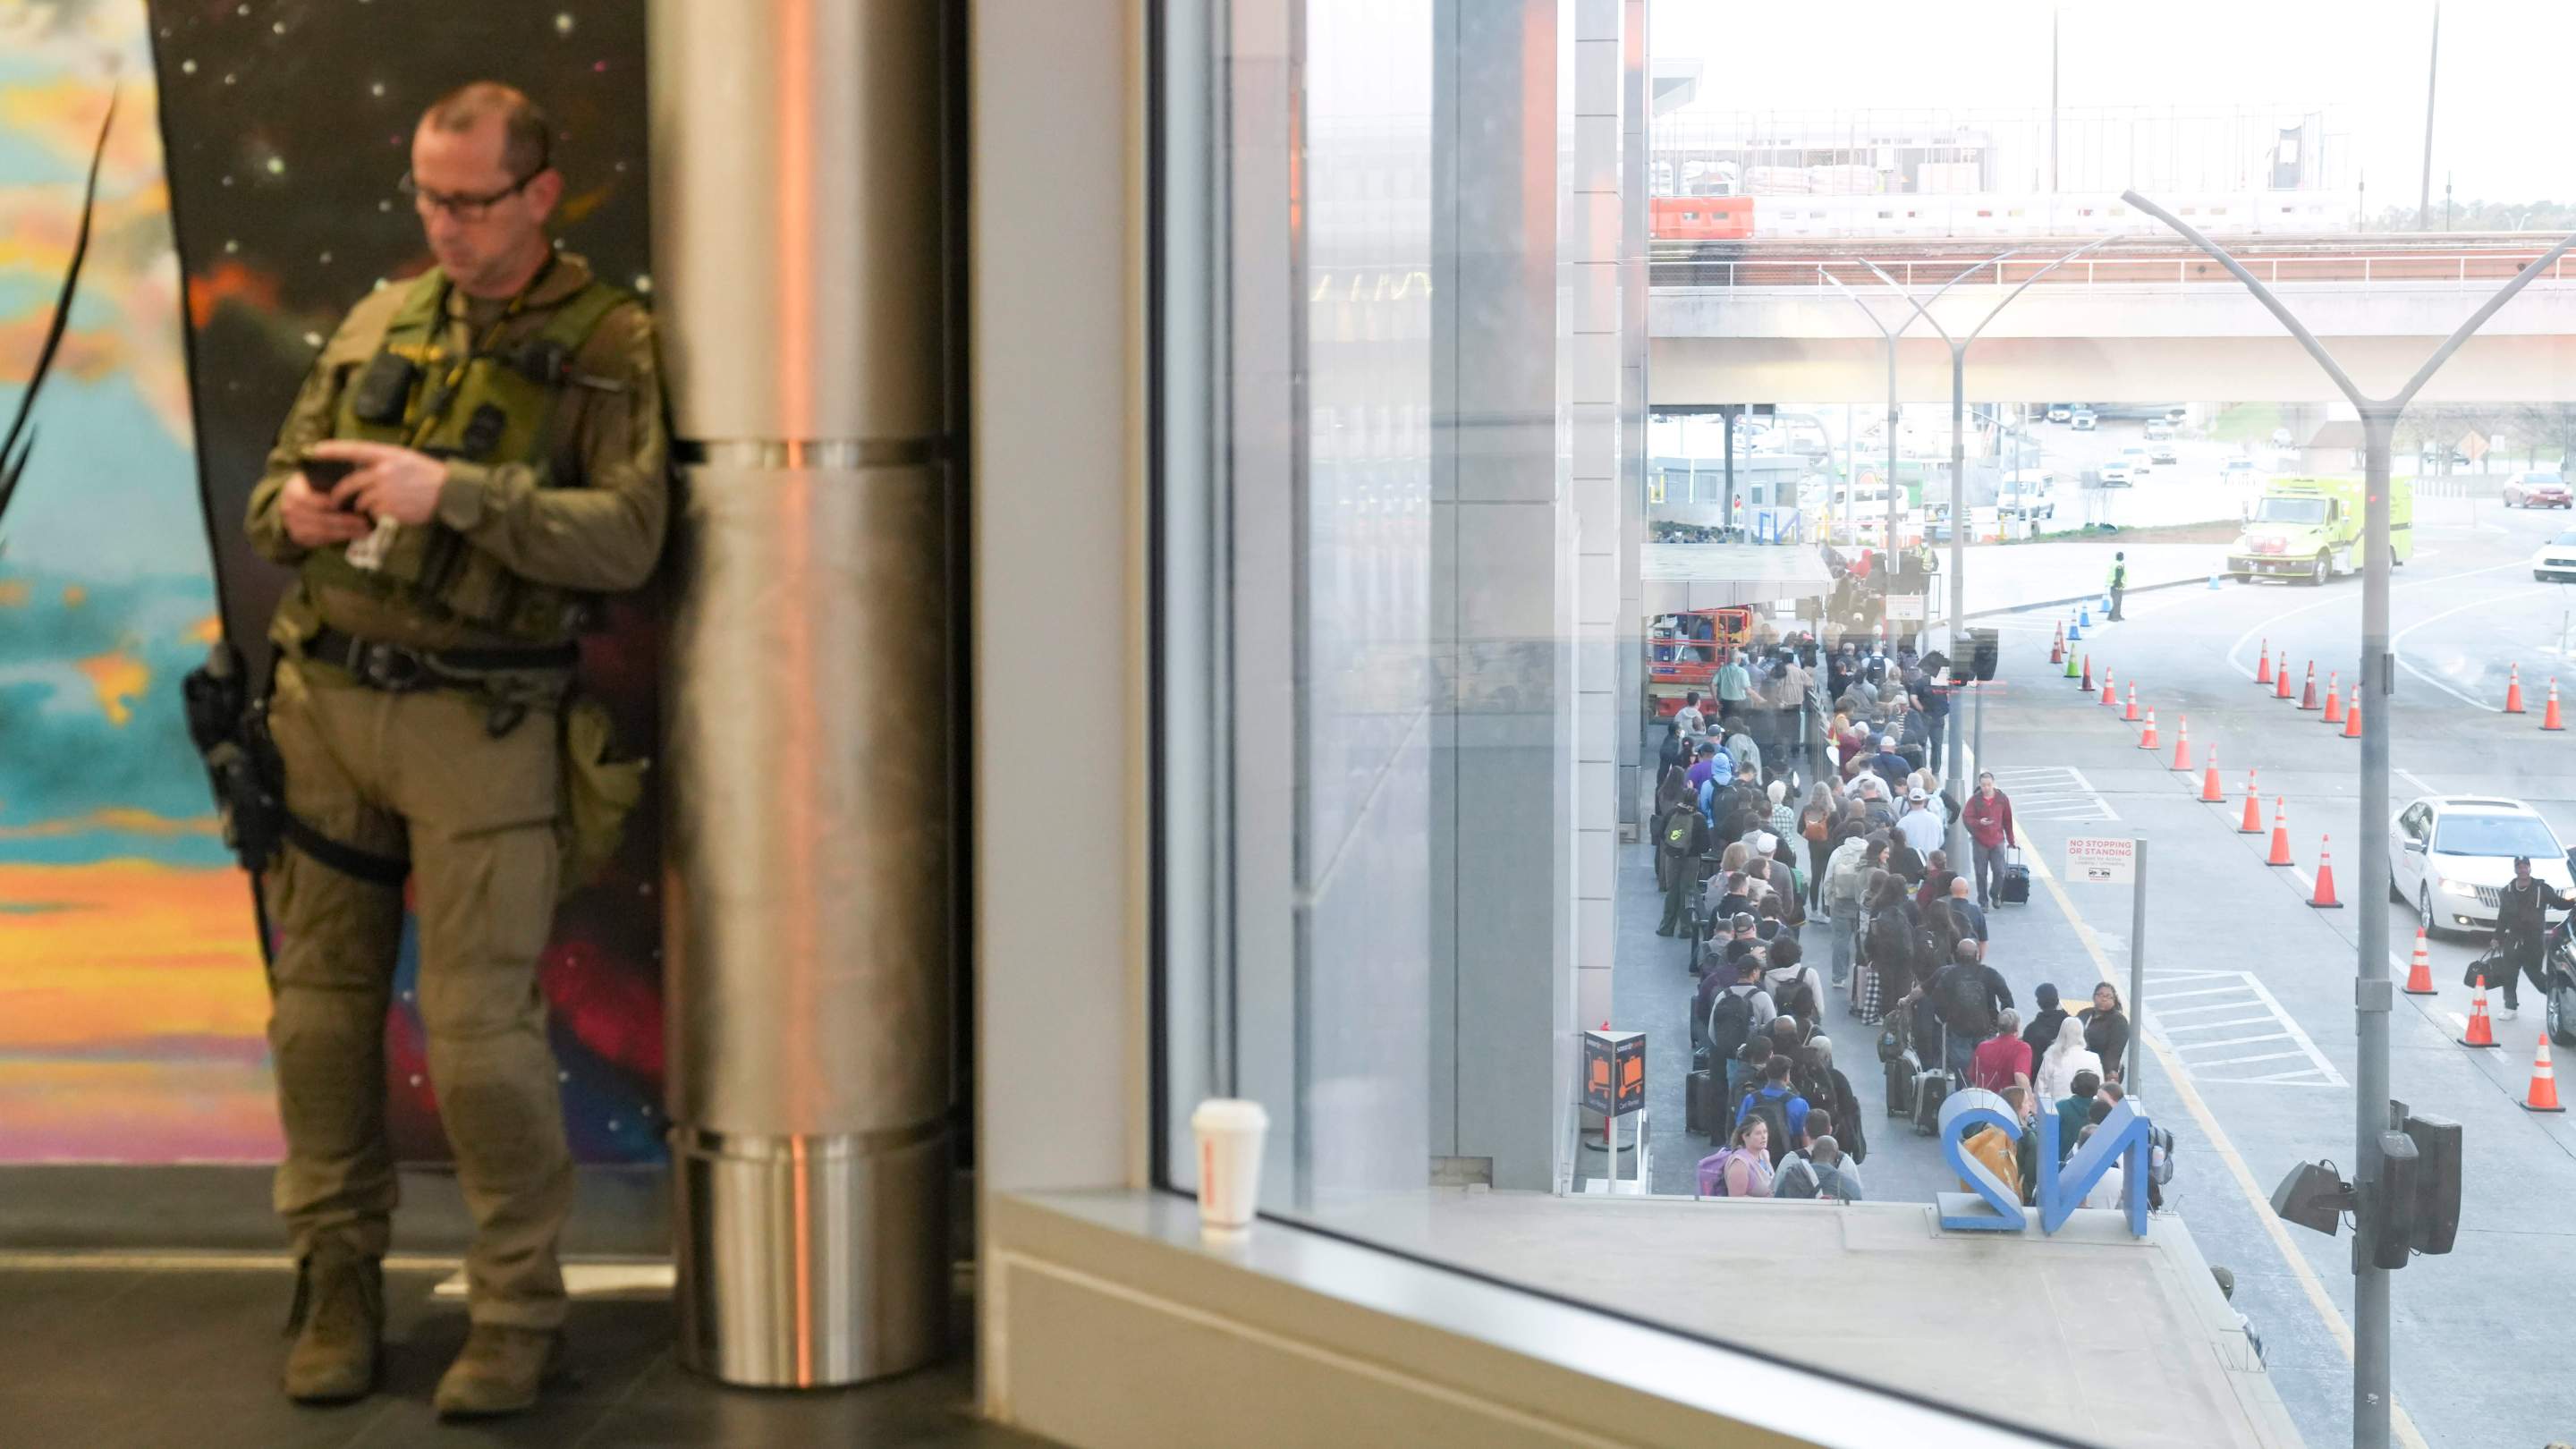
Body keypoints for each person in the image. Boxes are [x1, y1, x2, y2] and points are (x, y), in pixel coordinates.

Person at [240, 82, 667, 1417]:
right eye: (427, 197)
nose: (445, 225)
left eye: (471, 202)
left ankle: (516, 1312)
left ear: (540, 193)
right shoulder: (385, 312)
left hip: (482, 727)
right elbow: (268, 498)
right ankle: (336, 1277)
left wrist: (459, 495)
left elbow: (634, 538)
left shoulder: (610, 343)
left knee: (480, 1039)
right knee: (317, 1023)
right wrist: (294, 523)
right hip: (327, 714)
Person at [2490, 854, 2572, 1019]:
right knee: (2509, 974)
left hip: (2534, 941)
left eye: (2525, 866)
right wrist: (2496, 938)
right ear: (2515, 869)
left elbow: (2559, 903)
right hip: (2513, 940)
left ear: (2530, 868)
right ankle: (2510, 1007)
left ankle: (2557, 998)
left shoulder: (2542, 888)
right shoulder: (2507, 891)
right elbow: (2503, 917)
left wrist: (2573, 902)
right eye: (2519, 867)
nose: (2522, 869)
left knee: (2534, 974)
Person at [1962, 771, 2016, 909]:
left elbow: (2007, 820)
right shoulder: (1975, 800)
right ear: (1980, 785)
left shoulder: (2002, 799)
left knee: (2000, 871)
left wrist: (2011, 839)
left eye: (1989, 785)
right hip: (1980, 841)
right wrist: (1979, 823)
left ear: (1993, 784)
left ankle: (1995, 893)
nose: (1986, 788)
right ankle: (1983, 901)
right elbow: (1967, 818)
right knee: (1980, 873)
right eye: (1983, 785)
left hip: (1997, 840)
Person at [1698, 1116, 1776, 1199]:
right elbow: (1737, 1199)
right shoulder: (1739, 1164)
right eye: (1758, 1133)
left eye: (1765, 1132)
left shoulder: (1764, 1154)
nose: (1764, 1137)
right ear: (1745, 1137)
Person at [2035, 1014, 2104, 1103]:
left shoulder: (2051, 1057)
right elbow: (2101, 1087)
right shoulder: (2094, 1058)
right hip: (2087, 1110)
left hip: (2057, 1109)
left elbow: (2040, 1089)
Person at [2080, 982, 2132, 1082]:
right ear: (2094, 997)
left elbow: (2115, 1051)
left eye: (2108, 996)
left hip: (2105, 1073)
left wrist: (2110, 1072)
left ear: (2114, 1000)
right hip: (2082, 1068)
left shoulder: (2119, 1021)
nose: (2104, 999)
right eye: (2100, 995)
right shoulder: (2084, 1014)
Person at [1971, 1009, 2033, 1094]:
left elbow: (1974, 1077)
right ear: (2017, 1027)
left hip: (1985, 1099)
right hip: (2009, 1101)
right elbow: (2020, 1076)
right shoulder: (2022, 1048)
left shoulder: (1982, 1046)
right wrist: (2030, 1100)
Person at [2020, 983, 2070, 1080]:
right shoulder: (2072, 1025)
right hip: (2067, 1080)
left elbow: (2029, 1062)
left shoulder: (2031, 1030)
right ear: (2057, 1000)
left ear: (2039, 1003)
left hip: (2041, 1081)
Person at [2053, 1069, 2103, 1162]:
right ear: (2097, 1089)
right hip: (2095, 1163)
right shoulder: (2101, 1109)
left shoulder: (2061, 1107)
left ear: (2073, 1087)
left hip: (2061, 1164)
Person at [1895, 789, 1945, 860]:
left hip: (1912, 862)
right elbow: (1940, 841)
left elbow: (1899, 845)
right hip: (1933, 861)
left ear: (1909, 801)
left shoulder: (1903, 822)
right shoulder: (1935, 819)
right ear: (1925, 801)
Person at [1945, 875, 1988, 945]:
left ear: (1951, 890)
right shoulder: (1976, 911)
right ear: (1967, 891)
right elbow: (1983, 940)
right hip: (1970, 952)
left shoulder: (1944, 910)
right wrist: (1979, 956)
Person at [2106, 550, 2128, 621]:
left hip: (2112, 585)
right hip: (2117, 585)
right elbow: (2119, 576)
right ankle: (2115, 617)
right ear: (2121, 557)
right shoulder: (2119, 565)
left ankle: (2113, 616)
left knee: (2116, 602)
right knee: (2117, 602)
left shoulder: (2114, 563)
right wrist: (2119, 585)